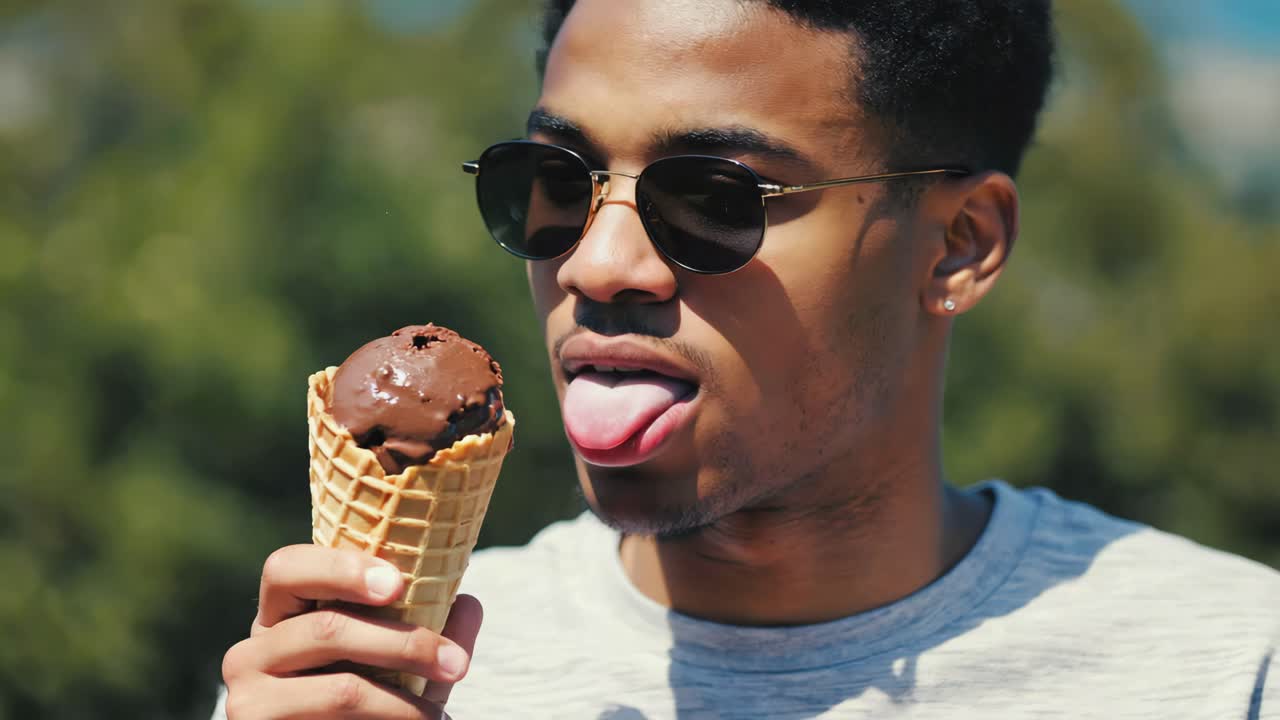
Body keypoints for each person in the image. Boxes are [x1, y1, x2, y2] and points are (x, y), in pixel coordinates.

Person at [215, 1, 1279, 718]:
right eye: (552, 180)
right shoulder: (354, 677)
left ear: (958, 245)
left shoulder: (1229, 669)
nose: (601, 261)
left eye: (714, 200)